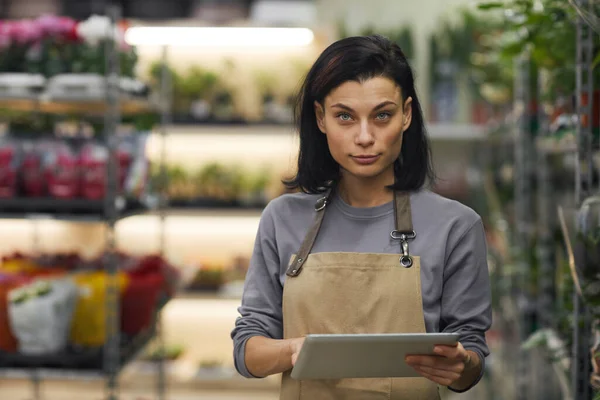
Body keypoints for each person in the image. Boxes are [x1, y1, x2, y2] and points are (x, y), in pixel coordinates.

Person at [231, 34, 492, 400]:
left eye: (382, 115)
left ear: (407, 115)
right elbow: (247, 350)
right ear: (321, 118)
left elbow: (471, 358)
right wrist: (294, 351)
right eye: (345, 117)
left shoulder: (457, 226)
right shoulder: (282, 218)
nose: (365, 137)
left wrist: (462, 365)